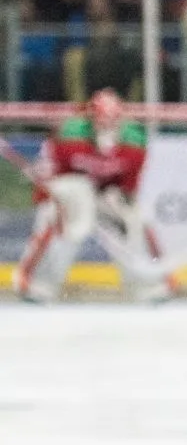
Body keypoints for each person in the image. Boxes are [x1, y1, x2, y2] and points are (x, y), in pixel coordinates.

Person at [13, 91, 173, 303]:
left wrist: (121, 203)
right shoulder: (69, 135)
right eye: (101, 121)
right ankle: (36, 283)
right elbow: (51, 177)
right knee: (53, 222)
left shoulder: (135, 140)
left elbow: (129, 189)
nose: (106, 127)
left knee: (136, 222)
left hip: (106, 195)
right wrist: (53, 194)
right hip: (74, 197)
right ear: (91, 118)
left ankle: (148, 285)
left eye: (112, 122)